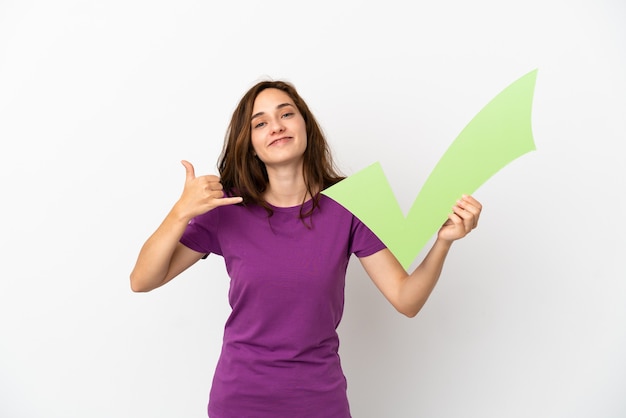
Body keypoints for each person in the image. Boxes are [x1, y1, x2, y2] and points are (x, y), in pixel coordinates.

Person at [129, 80, 482, 418]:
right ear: (249, 143)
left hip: (318, 402)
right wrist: (180, 212)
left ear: (306, 126)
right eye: (260, 122)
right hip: (239, 402)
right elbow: (142, 280)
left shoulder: (350, 203)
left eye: (286, 114)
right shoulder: (228, 207)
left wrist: (443, 243)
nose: (276, 126)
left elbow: (407, 300)